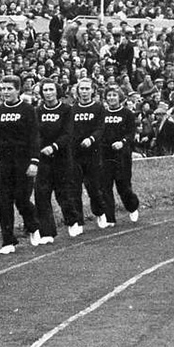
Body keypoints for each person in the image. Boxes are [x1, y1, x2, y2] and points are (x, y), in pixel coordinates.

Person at [0, 75, 41, 254]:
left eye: (9, 89)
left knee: (22, 198)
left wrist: (34, 162)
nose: (6, 92)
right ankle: (8, 241)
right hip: (5, 162)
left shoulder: (28, 110)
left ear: (18, 90)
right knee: (4, 201)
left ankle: (34, 226)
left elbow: (34, 137)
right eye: (3, 89)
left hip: (24, 161)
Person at [35, 79, 79, 242]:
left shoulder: (66, 110)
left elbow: (68, 133)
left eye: (50, 90)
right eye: (45, 90)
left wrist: (53, 146)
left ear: (57, 91)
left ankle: (72, 220)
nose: (47, 93)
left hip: (62, 158)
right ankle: (47, 232)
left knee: (64, 194)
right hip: (43, 159)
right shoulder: (37, 111)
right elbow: (35, 132)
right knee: (41, 194)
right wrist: (39, 148)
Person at [70, 77, 108, 232]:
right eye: (82, 89)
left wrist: (91, 139)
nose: (84, 92)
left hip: (93, 153)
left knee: (94, 188)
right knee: (74, 189)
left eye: (87, 89)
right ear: (77, 91)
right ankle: (78, 221)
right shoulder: (72, 109)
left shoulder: (98, 108)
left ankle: (100, 212)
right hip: (75, 154)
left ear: (93, 90)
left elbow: (101, 128)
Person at [101, 86, 140, 225]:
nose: (111, 98)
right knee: (105, 186)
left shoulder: (127, 113)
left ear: (120, 98)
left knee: (123, 186)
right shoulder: (103, 114)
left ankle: (132, 207)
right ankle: (110, 218)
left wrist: (122, 142)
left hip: (122, 156)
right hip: (105, 155)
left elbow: (131, 133)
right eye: (109, 95)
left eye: (114, 95)